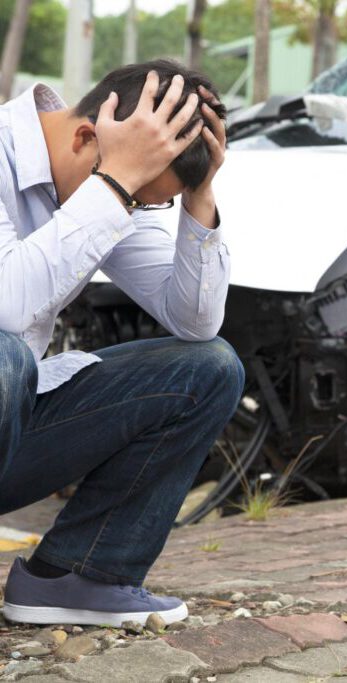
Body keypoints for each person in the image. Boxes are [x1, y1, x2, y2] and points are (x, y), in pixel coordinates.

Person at [0, 60, 245, 627]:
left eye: (143, 200)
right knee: (6, 355)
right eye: (135, 196)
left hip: (10, 427)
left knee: (208, 369)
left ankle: (78, 575)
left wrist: (197, 197)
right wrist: (117, 185)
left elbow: (195, 321)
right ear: (88, 136)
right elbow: (9, 305)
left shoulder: (111, 178)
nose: (130, 209)